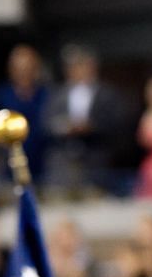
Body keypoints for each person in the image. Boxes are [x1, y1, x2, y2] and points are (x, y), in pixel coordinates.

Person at [44, 45, 130, 196]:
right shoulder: (56, 95)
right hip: (63, 166)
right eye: (74, 66)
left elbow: (118, 125)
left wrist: (92, 127)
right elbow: (45, 124)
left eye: (83, 65)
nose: (79, 70)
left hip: (96, 164)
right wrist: (64, 127)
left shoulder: (108, 94)